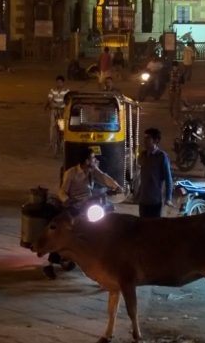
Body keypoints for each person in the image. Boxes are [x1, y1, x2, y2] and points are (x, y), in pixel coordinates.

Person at [43, 148, 123, 279]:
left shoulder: (92, 171)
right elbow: (62, 191)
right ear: (86, 161)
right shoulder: (71, 173)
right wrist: (67, 200)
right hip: (74, 207)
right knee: (66, 234)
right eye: (93, 158)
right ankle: (49, 264)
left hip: (89, 206)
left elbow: (103, 177)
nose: (95, 160)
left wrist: (116, 187)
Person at [137, 127, 173, 218]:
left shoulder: (162, 157)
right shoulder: (143, 155)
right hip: (143, 200)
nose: (144, 140)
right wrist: (138, 193)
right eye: (144, 138)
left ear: (156, 140)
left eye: (148, 138)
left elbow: (168, 179)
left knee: (154, 225)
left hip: (155, 200)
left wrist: (168, 198)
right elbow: (142, 177)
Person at [45, 75, 70, 150]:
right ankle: (51, 142)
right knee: (52, 125)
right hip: (54, 110)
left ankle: (62, 142)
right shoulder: (52, 90)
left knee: (62, 127)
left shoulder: (67, 91)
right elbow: (49, 100)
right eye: (58, 82)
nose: (59, 84)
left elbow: (68, 101)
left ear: (63, 83)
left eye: (60, 82)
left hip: (62, 111)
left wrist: (56, 104)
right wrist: (58, 104)